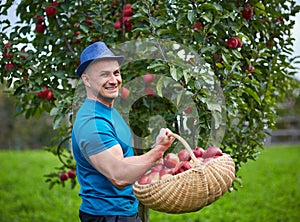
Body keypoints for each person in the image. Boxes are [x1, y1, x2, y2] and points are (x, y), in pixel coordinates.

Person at [72, 41, 175, 222]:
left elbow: (125, 159)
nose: (113, 80)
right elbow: (118, 176)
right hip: (107, 215)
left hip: (122, 212)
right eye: (104, 74)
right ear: (86, 79)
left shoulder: (109, 112)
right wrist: (158, 151)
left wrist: (156, 148)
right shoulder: (92, 123)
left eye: (116, 73)